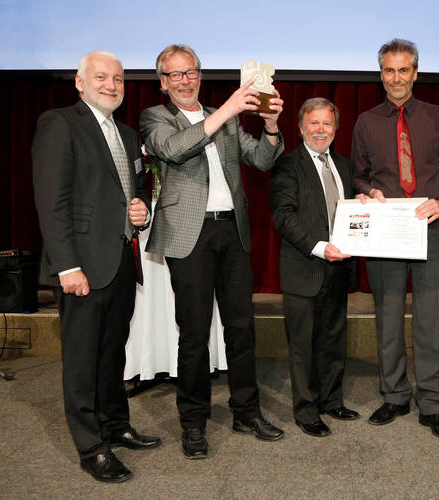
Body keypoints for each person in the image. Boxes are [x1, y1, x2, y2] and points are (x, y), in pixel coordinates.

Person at [139, 44, 285, 459]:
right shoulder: (156, 117)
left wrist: (271, 126)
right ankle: (193, 422)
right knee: (194, 332)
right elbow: (173, 149)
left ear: (200, 75)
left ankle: (246, 411)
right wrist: (227, 110)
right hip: (189, 235)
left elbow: (262, 159)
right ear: (163, 83)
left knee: (241, 328)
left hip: (232, 230)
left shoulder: (224, 118)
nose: (185, 81)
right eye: (175, 74)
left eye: (191, 72)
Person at [32, 50, 160, 483]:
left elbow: (135, 189)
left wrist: (142, 208)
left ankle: (115, 425)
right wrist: (66, 266)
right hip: (82, 265)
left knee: (112, 352)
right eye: (101, 77)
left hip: (121, 261)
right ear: (80, 82)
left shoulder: (126, 133)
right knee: (83, 361)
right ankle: (92, 448)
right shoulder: (60, 123)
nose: (111, 85)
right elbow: (52, 202)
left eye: (118, 79)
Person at [351, 39, 439, 440]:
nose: (396, 78)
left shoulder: (437, 117)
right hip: (387, 232)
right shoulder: (365, 122)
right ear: (380, 74)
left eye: (403, 70)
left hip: (434, 228)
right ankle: (395, 395)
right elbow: (358, 175)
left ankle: (432, 402)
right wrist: (368, 191)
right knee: (388, 316)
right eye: (389, 70)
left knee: (434, 319)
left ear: (415, 73)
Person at [269, 98, 359, 438]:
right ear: (301, 127)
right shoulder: (286, 165)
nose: (321, 130)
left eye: (327, 123)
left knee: (333, 340)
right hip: (304, 268)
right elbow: (283, 215)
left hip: (339, 268)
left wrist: (364, 203)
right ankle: (306, 411)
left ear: (336, 128)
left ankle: (332, 400)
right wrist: (320, 248)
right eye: (314, 123)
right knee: (303, 346)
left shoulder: (344, 165)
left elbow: (350, 210)